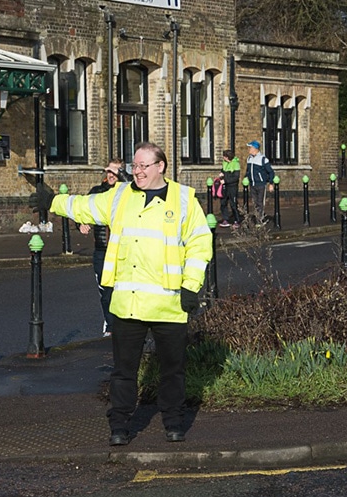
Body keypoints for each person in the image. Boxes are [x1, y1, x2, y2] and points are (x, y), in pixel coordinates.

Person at [30, 142, 212, 446]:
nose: (137, 171)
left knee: (173, 371)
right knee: (123, 372)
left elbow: (199, 244)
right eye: (134, 166)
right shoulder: (120, 196)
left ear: (160, 166)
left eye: (143, 166)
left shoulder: (183, 200)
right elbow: (85, 206)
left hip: (170, 303)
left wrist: (191, 287)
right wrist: (53, 201)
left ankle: (174, 423)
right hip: (128, 302)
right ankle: (119, 426)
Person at [78, 159, 123, 338]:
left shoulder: (127, 193)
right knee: (105, 291)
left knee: (121, 291)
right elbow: (82, 210)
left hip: (121, 250)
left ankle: (122, 326)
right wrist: (81, 223)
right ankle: (110, 326)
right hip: (102, 250)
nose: (111, 175)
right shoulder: (97, 192)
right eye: (108, 172)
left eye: (115, 172)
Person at [245, 140, 275, 223]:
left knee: (260, 203)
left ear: (255, 148)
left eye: (250, 147)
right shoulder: (249, 158)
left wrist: (271, 183)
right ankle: (257, 218)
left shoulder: (263, 159)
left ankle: (259, 220)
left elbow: (271, 172)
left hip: (261, 184)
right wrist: (246, 178)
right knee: (254, 203)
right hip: (252, 184)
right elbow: (248, 171)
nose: (248, 149)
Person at [218, 149, 241, 228]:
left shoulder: (236, 164)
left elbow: (235, 177)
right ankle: (226, 219)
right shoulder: (224, 163)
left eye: (224, 156)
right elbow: (223, 170)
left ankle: (237, 220)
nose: (223, 158)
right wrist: (221, 173)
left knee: (233, 204)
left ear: (227, 157)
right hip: (225, 186)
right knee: (223, 203)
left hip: (232, 187)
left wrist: (225, 180)